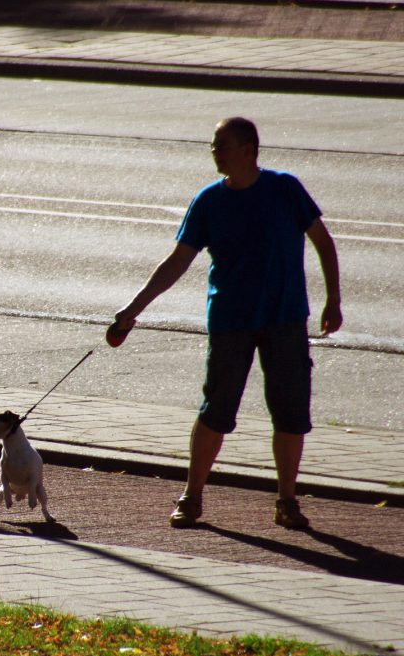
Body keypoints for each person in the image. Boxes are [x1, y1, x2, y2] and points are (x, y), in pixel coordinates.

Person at [114, 117, 342, 530]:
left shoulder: (284, 188)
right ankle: (192, 495)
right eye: (214, 144)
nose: (214, 150)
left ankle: (287, 500)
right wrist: (134, 309)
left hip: (285, 319)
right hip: (230, 322)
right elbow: (178, 261)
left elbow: (323, 242)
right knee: (216, 410)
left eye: (222, 144)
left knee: (290, 412)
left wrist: (333, 300)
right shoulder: (208, 201)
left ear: (249, 149)